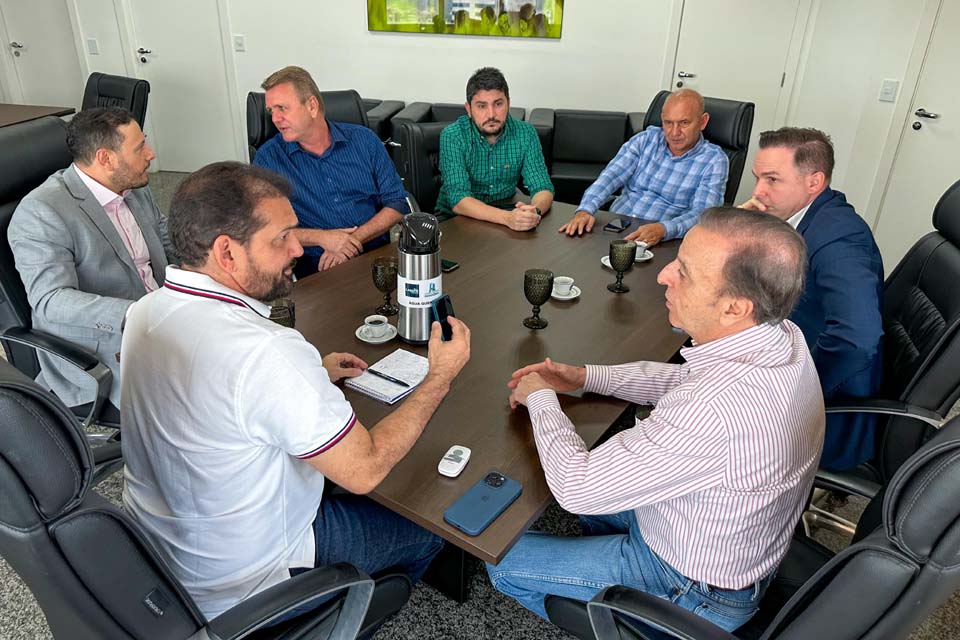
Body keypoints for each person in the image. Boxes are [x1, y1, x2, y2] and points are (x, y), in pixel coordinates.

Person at [120, 161, 471, 620]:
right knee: (430, 527)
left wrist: (313, 376)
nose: (296, 249)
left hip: (164, 550)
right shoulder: (267, 351)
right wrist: (439, 375)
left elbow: (212, 395)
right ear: (226, 253)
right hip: (247, 575)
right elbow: (365, 469)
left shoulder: (145, 313)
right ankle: (332, 616)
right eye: (281, 237)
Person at [490, 207, 824, 632]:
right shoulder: (780, 337)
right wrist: (584, 377)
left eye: (683, 272)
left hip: (693, 585)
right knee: (576, 491)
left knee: (502, 560)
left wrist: (540, 398)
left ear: (734, 308)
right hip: (722, 537)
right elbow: (681, 380)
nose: (664, 275)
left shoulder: (716, 409)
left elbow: (577, 487)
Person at [8, 106, 173, 413]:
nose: (150, 154)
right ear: (105, 159)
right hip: (107, 343)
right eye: (139, 148)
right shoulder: (42, 212)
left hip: (163, 319)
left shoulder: (134, 187)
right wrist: (140, 312)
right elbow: (50, 300)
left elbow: (168, 244)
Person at [739, 127, 883, 471]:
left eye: (772, 180)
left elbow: (858, 338)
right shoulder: (801, 218)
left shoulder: (838, 237)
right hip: (783, 348)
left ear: (814, 183)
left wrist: (797, 391)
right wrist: (742, 225)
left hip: (819, 401)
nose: (758, 191)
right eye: (758, 177)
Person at [253, 65, 410, 277]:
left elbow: (397, 202)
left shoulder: (364, 140)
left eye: (283, 108)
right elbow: (265, 230)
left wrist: (350, 241)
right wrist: (324, 238)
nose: (275, 119)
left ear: (311, 105)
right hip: (318, 268)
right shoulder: (269, 158)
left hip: (376, 259)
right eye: (272, 111)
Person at [559, 88, 727, 247]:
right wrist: (585, 209)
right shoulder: (645, 139)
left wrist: (664, 229)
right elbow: (610, 176)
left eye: (684, 123)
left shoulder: (714, 160)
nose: (674, 132)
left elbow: (703, 214)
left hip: (661, 240)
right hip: (615, 226)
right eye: (668, 123)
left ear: (703, 121)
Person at [436, 66, 554, 231]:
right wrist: (507, 218)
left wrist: (535, 210)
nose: (491, 114)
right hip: (455, 219)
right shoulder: (453, 136)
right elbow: (459, 200)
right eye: (481, 106)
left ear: (508, 103)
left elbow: (542, 187)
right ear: (469, 109)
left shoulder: (526, 133)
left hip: (506, 210)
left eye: (498, 104)